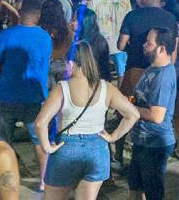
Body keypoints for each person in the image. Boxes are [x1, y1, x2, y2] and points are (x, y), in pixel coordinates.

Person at [34, 41, 139, 200]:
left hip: (67, 148)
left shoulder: (62, 88)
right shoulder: (106, 87)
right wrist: (113, 137)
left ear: (70, 62)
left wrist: (47, 147)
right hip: (97, 149)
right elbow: (133, 114)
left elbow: (40, 123)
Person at [0, 0, 52, 192]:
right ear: (37, 15)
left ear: (20, 12)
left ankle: (3, 177)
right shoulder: (45, 37)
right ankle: (44, 180)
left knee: (3, 139)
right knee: (39, 140)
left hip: (7, 95)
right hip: (35, 96)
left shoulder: (6, 35)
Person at [128, 27, 178, 200]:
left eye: (149, 43)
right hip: (143, 140)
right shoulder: (153, 68)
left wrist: (128, 108)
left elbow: (157, 116)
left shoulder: (162, 77)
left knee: (152, 193)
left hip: (154, 143)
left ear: (162, 48)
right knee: (135, 186)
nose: (144, 45)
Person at [87, 0, 131, 84]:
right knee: (121, 71)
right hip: (120, 42)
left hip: (101, 42)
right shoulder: (125, 0)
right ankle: (121, 95)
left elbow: (90, 23)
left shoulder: (94, 0)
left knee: (100, 71)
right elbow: (129, 21)